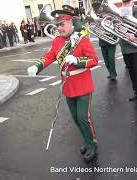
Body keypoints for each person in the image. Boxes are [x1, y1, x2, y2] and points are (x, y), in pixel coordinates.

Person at [27, 9, 98, 162]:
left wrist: (77, 61)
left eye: (62, 24)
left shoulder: (82, 39)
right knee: (76, 118)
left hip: (83, 85)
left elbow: (94, 60)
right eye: (57, 25)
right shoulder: (57, 41)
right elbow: (49, 56)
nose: (59, 28)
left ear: (70, 23)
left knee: (83, 117)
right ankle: (86, 139)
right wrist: (37, 67)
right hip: (68, 86)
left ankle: (92, 144)